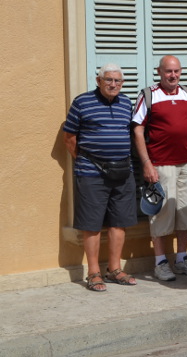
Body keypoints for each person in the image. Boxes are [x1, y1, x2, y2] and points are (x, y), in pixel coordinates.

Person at [63, 64, 138, 291]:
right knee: (92, 224)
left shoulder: (126, 103)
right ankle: (94, 272)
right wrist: (86, 162)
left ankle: (114, 269)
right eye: (108, 80)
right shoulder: (82, 102)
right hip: (91, 172)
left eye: (117, 81)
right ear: (98, 80)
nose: (113, 84)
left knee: (120, 222)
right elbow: (69, 138)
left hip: (123, 171)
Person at [132, 55, 187, 281]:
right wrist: (147, 164)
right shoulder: (148, 95)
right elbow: (138, 131)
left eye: (176, 71)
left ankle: (182, 258)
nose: (172, 76)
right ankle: (160, 262)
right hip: (161, 164)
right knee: (162, 212)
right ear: (159, 72)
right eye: (168, 72)